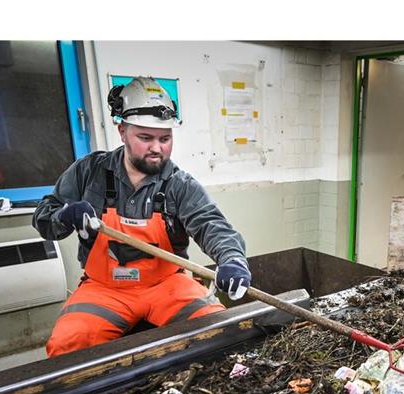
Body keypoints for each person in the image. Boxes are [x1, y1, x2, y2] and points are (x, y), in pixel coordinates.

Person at [33, 76, 251, 357]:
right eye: (145, 138)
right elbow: (44, 217)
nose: (157, 148)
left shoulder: (179, 184)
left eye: (165, 138)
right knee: (67, 346)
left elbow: (211, 224)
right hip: (104, 288)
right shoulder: (89, 172)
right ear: (122, 131)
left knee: (220, 333)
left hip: (166, 285)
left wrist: (232, 259)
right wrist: (65, 215)